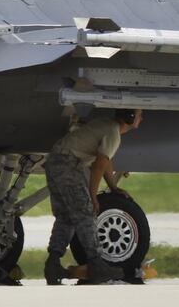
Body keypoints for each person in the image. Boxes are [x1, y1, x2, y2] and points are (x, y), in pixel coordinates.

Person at [43, 108, 143, 285]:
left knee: (66, 217)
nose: (141, 118)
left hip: (55, 161)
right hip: (68, 164)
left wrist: (113, 186)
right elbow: (98, 166)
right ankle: (96, 263)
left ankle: (53, 264)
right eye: (139, 114)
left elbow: (105, 161)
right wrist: (93, 196)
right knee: (85, 212)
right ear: (130, 117)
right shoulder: (113, 133)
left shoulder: (107, 125)